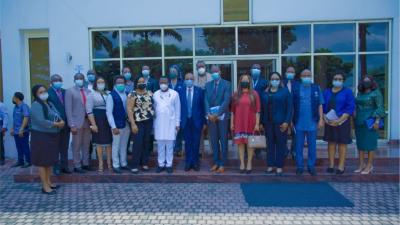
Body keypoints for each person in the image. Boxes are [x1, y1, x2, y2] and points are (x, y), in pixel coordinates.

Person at [30, 84, 65, 194]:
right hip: (41, 136)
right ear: (35, 94)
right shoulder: (36, 105)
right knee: (42, 162)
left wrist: (61, 121)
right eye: (40, 92)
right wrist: (56, 124)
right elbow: (41, 121)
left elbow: (57, 114)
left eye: (44, 91)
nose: (43, 93)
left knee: (49, 161)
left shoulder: (49, 103)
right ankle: (44, 186)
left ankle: (49, 182)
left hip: (51, 136)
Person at [292, 69, 324, 176]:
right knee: (298, 146)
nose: (306, 77)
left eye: (308, 75)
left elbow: (320, 104)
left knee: (312, 146)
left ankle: (311, 166)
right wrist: (291, 121)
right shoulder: (296, 88)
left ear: (311, 76)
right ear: (300, 77)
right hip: (299, 122)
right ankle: (299, 166)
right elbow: (292, 105)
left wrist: (321, 119)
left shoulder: (316, 88)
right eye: (304, 75)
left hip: (312, 122)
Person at [323, 72, 355, 174]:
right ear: (332, 80)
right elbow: (322, 106)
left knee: (342, 144)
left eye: (340, 79)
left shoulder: (348, 92)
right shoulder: (327, 92)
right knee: (331, 143)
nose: (337, 80)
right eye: (335, 78)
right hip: (329, 121)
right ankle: (331, 165)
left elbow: (350, 107)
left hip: (343, 122)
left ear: (343, 81)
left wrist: (339, 120)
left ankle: (341, 166)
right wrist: (325, 118)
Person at [261, 72, 292, 175]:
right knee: (269, 145)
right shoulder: (265, 92)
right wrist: (261, 122)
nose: (275, 80)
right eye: (273, 79)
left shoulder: (285, 91)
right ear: (270, 80)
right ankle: (270, 166)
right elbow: (262, 109)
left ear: (280, 80)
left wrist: (287, 122)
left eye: (277, 79)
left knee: (280, 145)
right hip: (268, 123)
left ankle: (279, 166)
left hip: (281, 123)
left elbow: (289, 108)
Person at [354, 75, 385, 175]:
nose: (366, 82)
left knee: (370, 144)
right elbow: (356, 104)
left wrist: (376, 121)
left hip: (370, 122)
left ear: (372, 82)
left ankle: (369, 165)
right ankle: (361, 164)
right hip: (359, 121)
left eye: (368, 81)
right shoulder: (360, 93)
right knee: (361, 144)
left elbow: (380, 108)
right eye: (364, 81)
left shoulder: (376, 93)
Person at [231, 74, 260, 174]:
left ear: (250, 82)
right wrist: (232, 123)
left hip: (250, 122)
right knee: (241, 143)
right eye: (243, 79)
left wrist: (257, 124)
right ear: (240, 82)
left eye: (247, 80)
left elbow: (258, 111)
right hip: (239, 122)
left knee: (250, 143)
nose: (245, 81)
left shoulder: (254, 94)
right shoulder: (235, 94)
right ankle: (242, 163)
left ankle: (249, 163)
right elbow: (233, 111)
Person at [204, 65, 231, 173]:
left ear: (220, 72)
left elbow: (226, 100)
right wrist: (209, 114)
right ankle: (216, 162)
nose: (214, 73)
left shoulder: (227, 84)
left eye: (216, 71)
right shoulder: (207, 85)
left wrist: (217, 114)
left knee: (223, 141)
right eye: (212, 71)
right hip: (211, 118)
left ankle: (223, 163)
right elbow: (205, 100)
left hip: (222, 117)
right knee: (214, 141)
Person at [153, 76, 181, 174]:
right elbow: (153, 110)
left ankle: (169, 164)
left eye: (165, 82)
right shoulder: (155, 94)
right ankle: (161, 164)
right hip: (159, 124)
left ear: (168, 82)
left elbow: (178, 110)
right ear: (159, 83)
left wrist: (177, 123)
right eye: (161, 82)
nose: (163, 84)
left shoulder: (175, 94)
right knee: (160, 146)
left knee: (169, 146)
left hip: (171, 124)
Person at [127, 76, 154, 174]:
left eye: (143, 81)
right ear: (136, 83)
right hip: (137, 122)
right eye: (139, 81)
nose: (142, 83)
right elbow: (129, 109)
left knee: (146, 142)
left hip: (149, 121)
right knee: (138, 143)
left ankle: (144, 163)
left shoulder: (150, 93)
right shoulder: (132, 94)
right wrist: (133, 124)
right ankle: (134, 165)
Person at [65, 73, 92, 173]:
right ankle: (77, 165)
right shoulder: (70, 91)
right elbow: (68, 109)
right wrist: (71, 124)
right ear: (74, 80)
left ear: (84, 79)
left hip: (87, 121)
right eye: (77, 78)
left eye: (81, 78)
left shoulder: (88, 91)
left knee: (86, 144)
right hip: (76, 122)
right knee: (76, 145)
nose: (79, 80)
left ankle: (85, 164)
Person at [179, 72, 206, 171]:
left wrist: (204, 122)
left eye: (191, 78)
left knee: (196, 143)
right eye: (187, 78)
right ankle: (188, 162)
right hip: (186, 121)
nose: (189, 80)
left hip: (197, 121)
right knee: (187, 142)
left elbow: (203, 108)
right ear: (184, 80)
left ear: (193, 80)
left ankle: (195, 162)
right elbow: (179, 108)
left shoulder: (199, 91)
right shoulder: (180, 91)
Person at [86, 77, 113, 172]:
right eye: (99, 82)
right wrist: (93, 124)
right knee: (99, 143)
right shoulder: (91, 94)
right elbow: (89, 111)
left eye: (102, 82)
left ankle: (109, 162)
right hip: (97, 119)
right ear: (95, 84)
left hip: (108, 119)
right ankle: (100, 163)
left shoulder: (109, 93)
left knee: (109, 142)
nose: (101, 84)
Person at [48, 74, 72, 175]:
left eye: (59, 80)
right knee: (55, 146)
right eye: (55, 80)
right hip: (55, 124)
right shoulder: (47, 93)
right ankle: (56, 167)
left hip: (66, 123)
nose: (58, 82)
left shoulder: (65, 91)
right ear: (51, 82)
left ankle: (64, 166)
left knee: (64, 146)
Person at [106, 75, 130, 174]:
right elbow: (109, 112)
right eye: (118, 82)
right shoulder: (111, 95)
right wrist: (113, 127)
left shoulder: (127, 94)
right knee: (116, 145)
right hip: (116, 125)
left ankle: (123, 163)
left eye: (122, 82)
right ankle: (116, 165)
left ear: (125, 83)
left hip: (126, 124)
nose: (120, 84)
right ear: (115, 84)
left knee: (124, 145)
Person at [250, 64, 268, 159]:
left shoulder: (265, 82)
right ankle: (249, 150)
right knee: (249, 131)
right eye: (254, 68)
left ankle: (258, 150)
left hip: (261, 110)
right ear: (250, 70)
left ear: (260, 71)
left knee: (259, 130)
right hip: (249, 111)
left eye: (258, 68)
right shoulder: (247, 81)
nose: (256, 70)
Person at [193, 61, 211, 157]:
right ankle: (200, 151)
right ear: (196, 68)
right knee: (199, 131)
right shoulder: (194, 78)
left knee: (211, 131)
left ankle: (213, 150)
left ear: (205, 67)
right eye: (199, 67)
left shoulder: (211, 77)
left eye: (202, 66)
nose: (201, 68)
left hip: (209, 107)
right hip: (199, 108)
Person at [10, 92, 31, 168]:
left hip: (23, 131)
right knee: (18, 147)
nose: (12, 98)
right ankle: (20, 161)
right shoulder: (15, 107)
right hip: (16, 131)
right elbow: (15, 119)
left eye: (13, 97)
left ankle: (28, 161)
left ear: (17, 98)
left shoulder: (24, 106)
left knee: (25, 146)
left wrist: (21, 129)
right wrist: (12, 128)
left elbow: (26, 117)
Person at [168, 65, 184, 157]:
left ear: (178, 73)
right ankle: (170, 149)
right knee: (170, 131)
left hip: (179, 111)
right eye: (171, 71)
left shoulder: (182, 84)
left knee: (178, 131)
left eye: (174, 71)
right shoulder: (167, 84)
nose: (172, 72)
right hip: (168, 113)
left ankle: (178, 149)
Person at [284, 66, 299, 159]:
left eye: (292, 72)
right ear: (285, 73)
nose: (290, 73)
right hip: (284, 112)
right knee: (283, 133)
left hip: (296, 112)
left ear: (294, 74)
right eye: (288, 71)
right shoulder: (281, 83)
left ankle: (294, 151)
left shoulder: (298, 84)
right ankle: (285, 151)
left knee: (296, 134)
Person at [0, 101, 8, 166]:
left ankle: (1, 159)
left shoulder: (1, 105)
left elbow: (5, 116)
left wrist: (4, 126)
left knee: (0, 143)